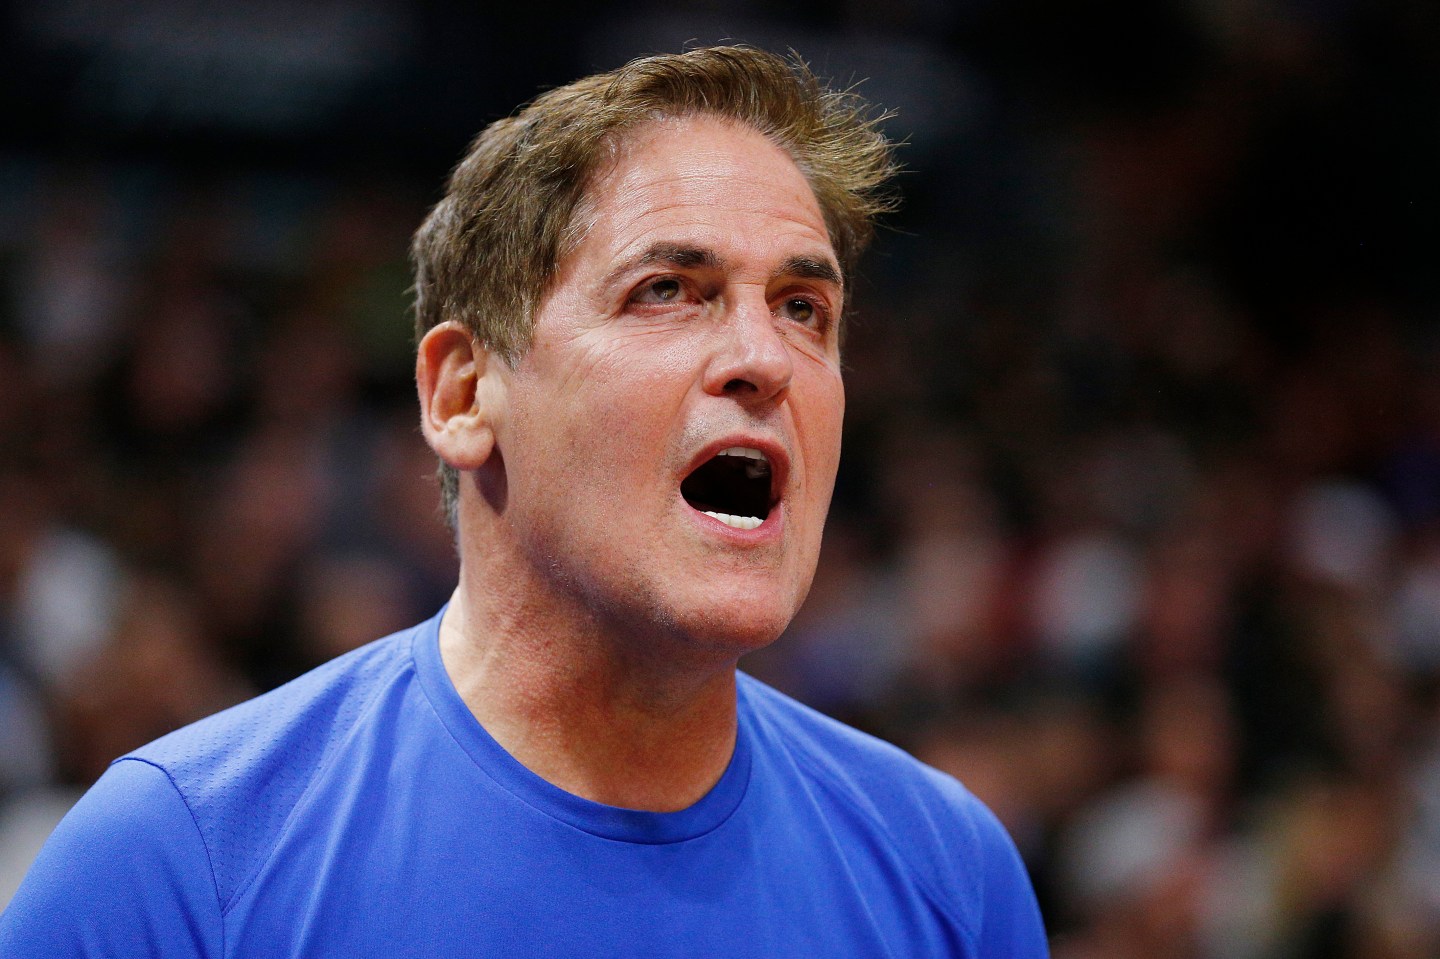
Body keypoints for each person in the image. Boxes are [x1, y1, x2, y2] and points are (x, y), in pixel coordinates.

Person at [0, 46, 1048, 956]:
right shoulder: (180, 862)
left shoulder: (949, 876)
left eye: (803, 307)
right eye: (669, 289)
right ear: (463, 394)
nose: (762, 357)